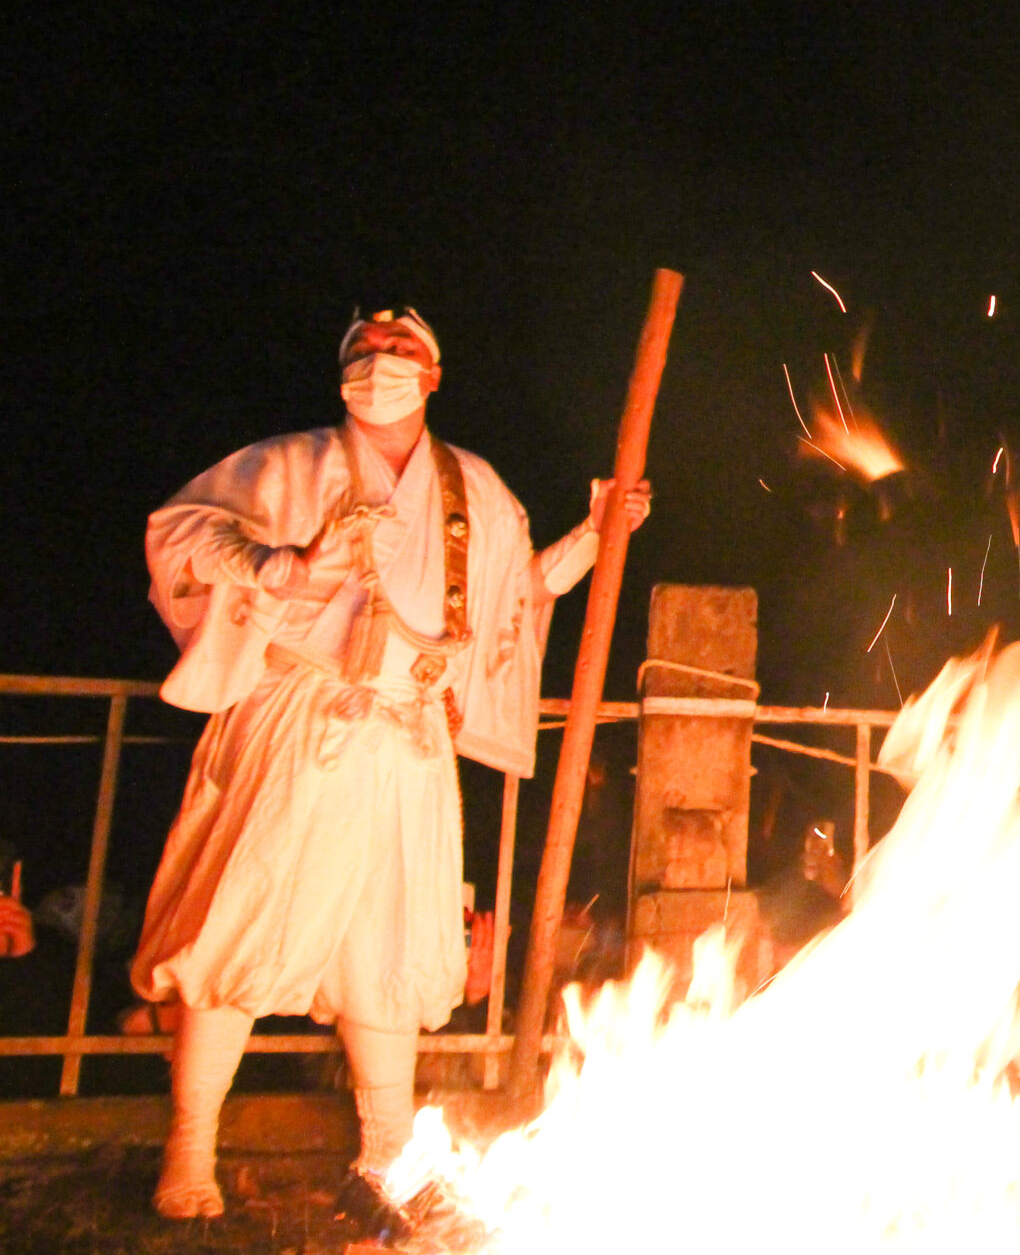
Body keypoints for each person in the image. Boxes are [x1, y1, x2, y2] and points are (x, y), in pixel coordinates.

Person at [130, 308, 650, 1219]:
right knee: (239, 925)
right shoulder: (287, 465)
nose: (382, 362)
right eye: (365, 353)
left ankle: (387, 1156)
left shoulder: (474, 488)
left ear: (435, 374)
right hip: (299, 720)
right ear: (341, 375)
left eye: (402, 351)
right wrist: (283, 565)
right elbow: (180, 536)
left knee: (391, 946)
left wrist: (597, 537)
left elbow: (512, 596)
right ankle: (191, 1152)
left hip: (411, 740)